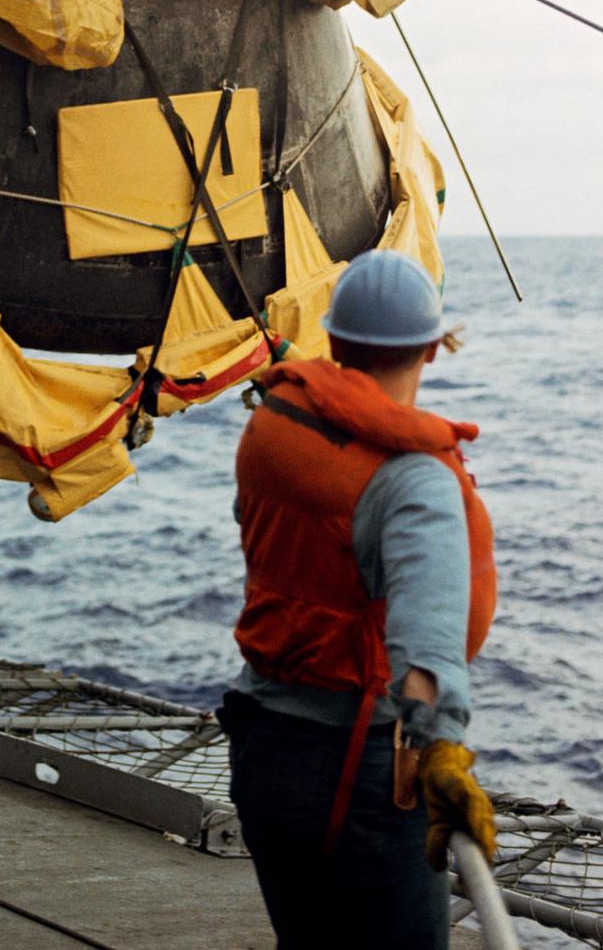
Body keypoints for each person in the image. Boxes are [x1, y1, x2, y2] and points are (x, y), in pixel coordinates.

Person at [221, 247, 499, 950]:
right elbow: (427, 641)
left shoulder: (270, 427)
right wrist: (441, 750)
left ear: (334, 338)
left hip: (264, 751)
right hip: (359, 774)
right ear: (431, 349)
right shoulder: (414, 481)